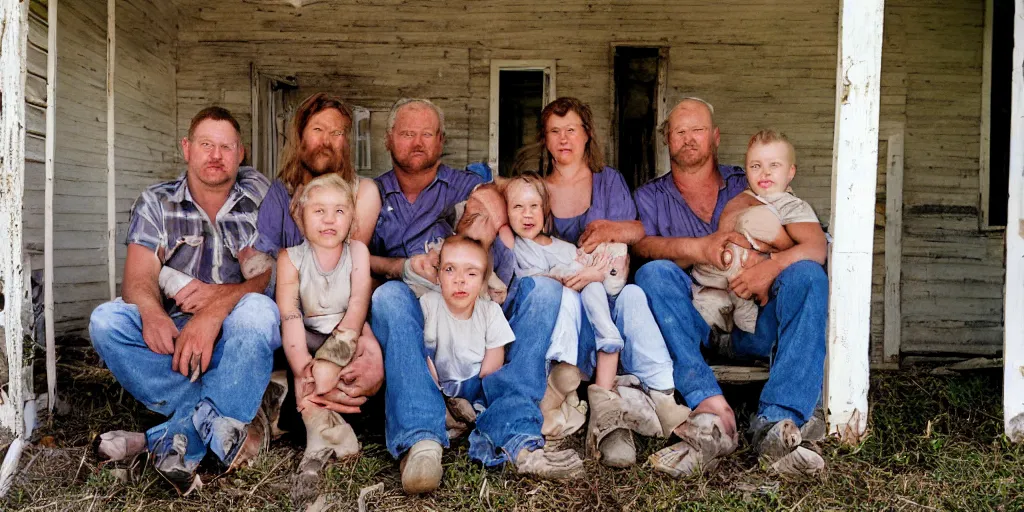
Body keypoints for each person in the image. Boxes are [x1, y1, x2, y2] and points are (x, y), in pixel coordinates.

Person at [368, 98, 583, 494]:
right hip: (420, 314)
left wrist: (468, 250)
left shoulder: (466, 185)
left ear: (441, 140)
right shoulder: (373, 194)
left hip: (479, 300)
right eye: (406, 133)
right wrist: (400, 267)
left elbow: (498, 203)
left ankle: (517, 434)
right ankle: (422, 439)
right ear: (388, 139)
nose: (417, 142)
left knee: (544, 292)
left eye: (426, 134)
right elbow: (357, 258)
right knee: (388, 300)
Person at [88, 107, 280, 494]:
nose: (216, 155)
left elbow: (271, 278)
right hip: (176, 333)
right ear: (186, 148)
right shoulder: (157, 202)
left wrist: (213, 310)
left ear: (240, 153)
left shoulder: (261, 195)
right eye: (206, 144)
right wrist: (151, 313)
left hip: (235, 332)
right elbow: (138, 278)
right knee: (106, 321)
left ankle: (167, 437)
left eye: (226, 146)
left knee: (259, 313)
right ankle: (234, 404)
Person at [633, 97, 828, 477]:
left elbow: (813, 245)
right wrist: (699, 248)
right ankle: (710, 408)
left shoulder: (749, 180)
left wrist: (768, 266)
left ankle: (777, 422)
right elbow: (642, 246)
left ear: (716, 136)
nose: (689, 139)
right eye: (679, 131)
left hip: (757, 322)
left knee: (808, 276)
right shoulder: (650, 196)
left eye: (698, 130)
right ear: (667, 140)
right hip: (698, 319)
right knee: (652, 274)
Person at [526, 97, 687, 468]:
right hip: (569, 312)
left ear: (587, 136)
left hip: (610, 298)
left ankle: (659, 398)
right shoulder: (538, 191)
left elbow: (637, 230)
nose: (564, 139)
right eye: (555, 131)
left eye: (572, 130)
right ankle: (609, 416)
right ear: (545, 139)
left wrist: (608, 232)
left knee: (632, 294)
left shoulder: (608, 181)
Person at [254, 92, 384, 419]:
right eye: (317, 130)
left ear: (347, 142)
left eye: (337, 133)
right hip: (293, 315)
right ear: (300, 137)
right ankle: (300, 390)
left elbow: (341, 265)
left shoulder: (362, 192)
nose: (326, 141)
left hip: (341, 313)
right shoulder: (280, 192)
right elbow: (266, 265)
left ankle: (317, 399)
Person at [275, 173, 372, 486]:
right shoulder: (290, 258)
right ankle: (319, 427)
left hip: (348, 333)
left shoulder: (357, 252)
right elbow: (289, 315)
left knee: (356, 373)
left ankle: (343, 421)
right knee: (303, 379)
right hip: (307, 334)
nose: (330, 219)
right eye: (319, 211)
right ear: (301, 218)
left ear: (352, 219)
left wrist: (333, 357)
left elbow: (358, 306)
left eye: (340, 211)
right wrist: (303, 364)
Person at [689, 130, 826, 335]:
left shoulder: (792, 206)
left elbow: (817, 248)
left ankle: (753, 337)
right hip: (724, 288)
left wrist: (773, 263)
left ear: (791, 172)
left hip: (761, 300)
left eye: (774, 165)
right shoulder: (738, 202)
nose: (765, 173)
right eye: (756, 166)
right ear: (746, 172)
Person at [420, 235, 515, 437]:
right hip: (439, 385)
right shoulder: (429, 304)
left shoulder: (490, 312)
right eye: (449, 270)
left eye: (471, 273)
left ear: (483, 281)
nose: (460, 280)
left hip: (475, 381)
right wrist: (438, 389)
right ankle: (447, 413)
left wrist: (475, 389)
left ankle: (475, 413)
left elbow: (494, 362)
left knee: (496, 390)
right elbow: (425, 354)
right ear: (438, 276)